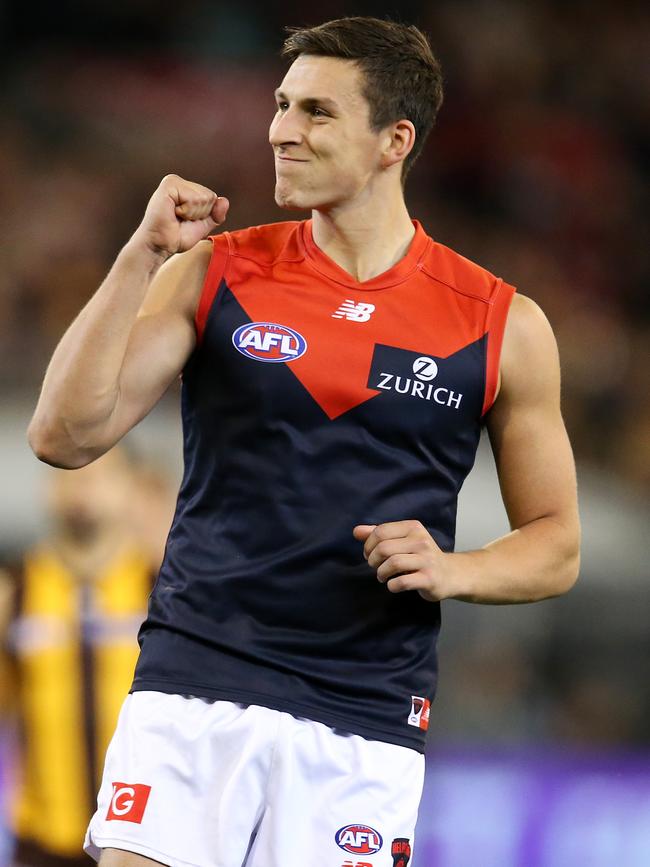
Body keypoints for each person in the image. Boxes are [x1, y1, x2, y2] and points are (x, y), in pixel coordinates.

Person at [27, 16, 581, 867]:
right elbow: (64, 434)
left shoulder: (500, 323)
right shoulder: (216, 270)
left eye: (317, 112)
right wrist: (140, 254)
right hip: (192, 677)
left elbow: (557, 546)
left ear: (395, 139)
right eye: (282, 104)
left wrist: (455, 569)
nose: (282, 130)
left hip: (363, 713)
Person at [0, 450, 155, 867]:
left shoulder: (164, 591)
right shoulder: (13, 593)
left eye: (101, 476)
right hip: (42, 842)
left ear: (129, 489)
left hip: (141, 841)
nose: (82, 489)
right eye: (69, 475)